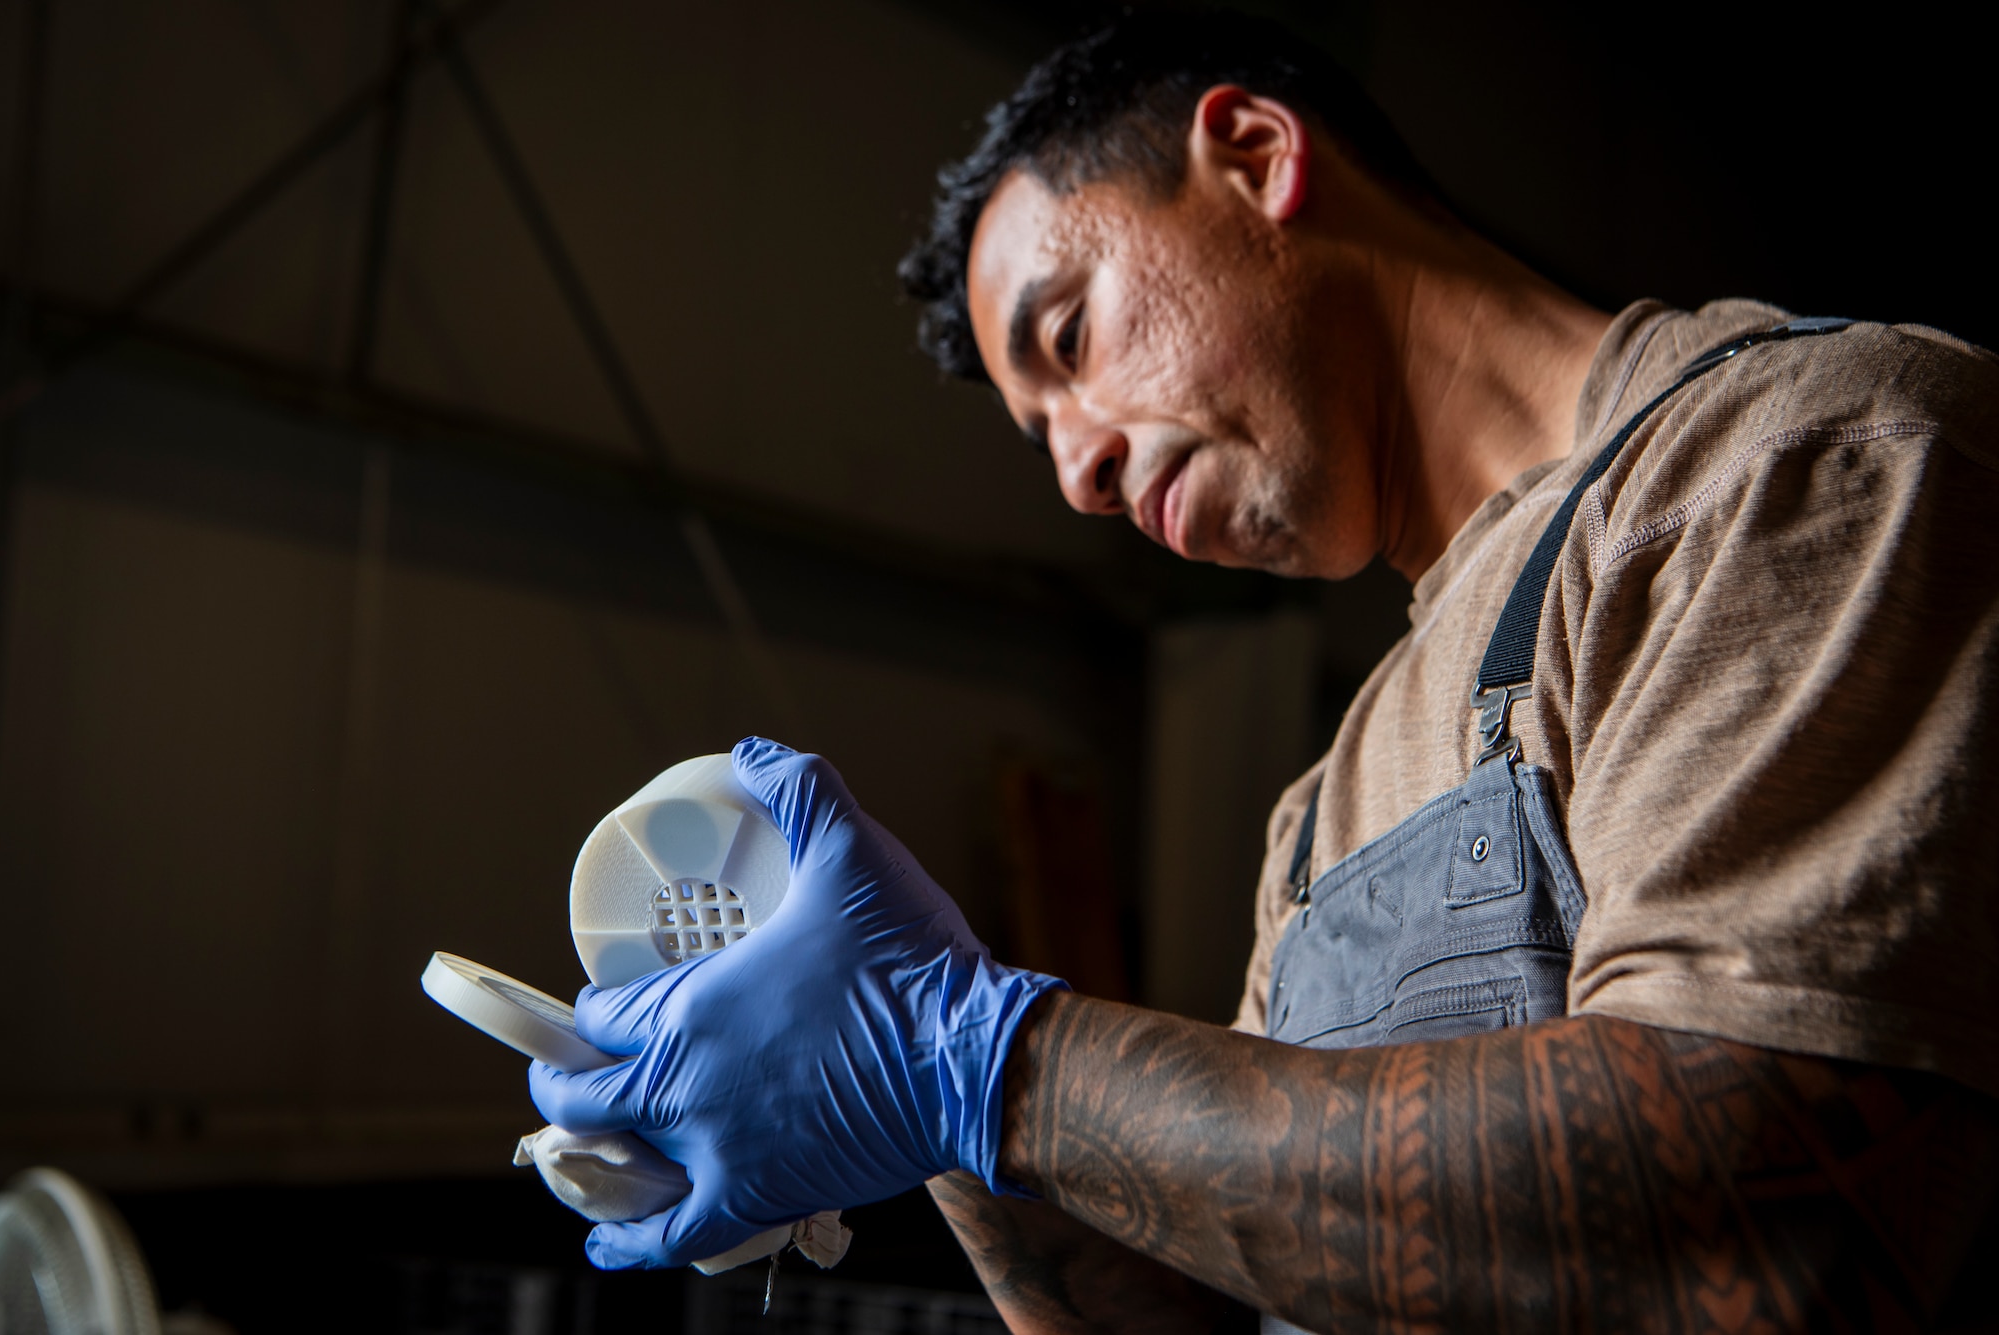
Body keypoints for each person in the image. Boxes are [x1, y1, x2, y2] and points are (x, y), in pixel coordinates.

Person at [530, 13, 1999, 1331]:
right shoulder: (1330, 794)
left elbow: (1765, 1229)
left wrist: (983, 1062)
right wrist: (941, 1129)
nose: (1083, 477)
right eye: (1043, 439)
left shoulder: (1805, 460)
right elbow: (1229, 1292)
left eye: (1070, 336)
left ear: (1252, 153)